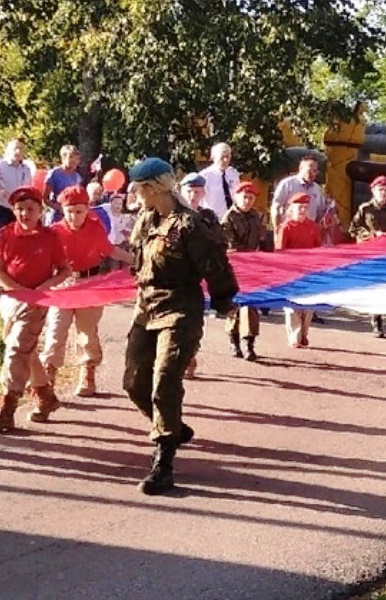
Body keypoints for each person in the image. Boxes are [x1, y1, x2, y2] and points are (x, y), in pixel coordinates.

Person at [123, 157, 238, 495]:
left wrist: (224, 302)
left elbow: (215, 267)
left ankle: (164, 461)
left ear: (153, 188)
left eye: (138, 188)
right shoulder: (145, 220)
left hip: (180, 311)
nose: (135, 195)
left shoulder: (189, 225)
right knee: (133, 382)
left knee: (164, 382)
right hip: (146, 309)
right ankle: (173, 425)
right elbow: (139, 262)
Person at [0, 186, 72, 432]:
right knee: (25, 351)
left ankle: (6, 408)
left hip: (36, 302)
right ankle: (45, 396)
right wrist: (17, 290)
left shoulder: (50, 237)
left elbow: (64, 270)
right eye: (19, 209)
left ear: (41, 211)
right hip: (10, 299)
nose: (24, 213)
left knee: (16, 349)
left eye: (30, 209)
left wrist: (42, 289)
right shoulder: (6, 234)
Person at [41, 186, 132, 397]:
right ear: (63, 210)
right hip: (62, 287)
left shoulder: (94, 227)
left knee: (87, 332)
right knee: (56, 330)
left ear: (87, 209)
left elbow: (110, 250)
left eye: (79, 211)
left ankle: (87, 371)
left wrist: (136, 260)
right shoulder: (54, 232)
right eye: (70, 211)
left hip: (89, 284)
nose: (74, 216)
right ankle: (48, 377)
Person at [177, 172, 226, 378]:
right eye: (189, 191)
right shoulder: (171, 215)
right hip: (176, 276)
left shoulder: (208, 217)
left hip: (198, 278)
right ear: (181, 191)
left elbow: (219, 243)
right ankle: (179, 358)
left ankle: (190, 353)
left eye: (197, 191)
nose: (193, 195)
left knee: (194, 322)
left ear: (204, 192)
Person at [349, 175, 386, 337]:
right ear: (373, 191)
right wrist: (372, 235)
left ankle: (378, 318)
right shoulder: (365, 209)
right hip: (369, 253)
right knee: (372, 285)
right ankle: (373, 317)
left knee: (383, 286)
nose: (384, 193)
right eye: (380, 190)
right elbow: (354, 229)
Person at [221, 181, 266, 359]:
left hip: (253, 268)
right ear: (236, 197)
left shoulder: (256, 217)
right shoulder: (228, 218)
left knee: (250, 304)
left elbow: (263, 239)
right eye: (245, 197)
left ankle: (249, 343)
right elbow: (230, 245)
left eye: (251, 198)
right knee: (234, 305)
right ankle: (233, 341)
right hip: (235, 267)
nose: (248, 201)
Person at [277, 192, 322, 348]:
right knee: (292, 306)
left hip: (309, 272)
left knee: (308, 306)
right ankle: (295, 336)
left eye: (305, 207)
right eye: (299, 207)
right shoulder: (286, 227)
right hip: (291, 273)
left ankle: (304, 334)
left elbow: (319, 249)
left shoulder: (314, 227)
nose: (302, 210)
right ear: (291, 209)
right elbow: (280, 251)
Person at [270, 155, 326, 232]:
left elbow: (320, 211)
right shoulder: (287, 184)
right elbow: (276, 207)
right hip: (289, 231)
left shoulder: (317, 189)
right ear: (301, 169)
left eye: (315, 171)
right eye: (309, 171)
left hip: (309, 232)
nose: (312, 174)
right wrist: (277, 230)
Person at [0, 138, 32, 232]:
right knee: (3, 240)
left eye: (21, 149)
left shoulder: (26, 169)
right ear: (8, 150)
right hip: (3, 209)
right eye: (15, 148)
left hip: (20, 210)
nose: (18, 151)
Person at [42, 144, 83, 224]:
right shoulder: (54, 174)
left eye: (76, 158)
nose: (74, 160)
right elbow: (45, 199)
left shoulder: (77, 176)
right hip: (56, 215)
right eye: (71, 157)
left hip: (70, 216)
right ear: (63, 158)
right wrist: (58, 208)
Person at [199, 142, 241, 219]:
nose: (226, 160)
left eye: (228, 156)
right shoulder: (205, 176)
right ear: (213, 157)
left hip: (233, 219)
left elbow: (237, 196)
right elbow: (200, 202)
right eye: (222, 157)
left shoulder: (233, 174)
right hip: (214, 220)